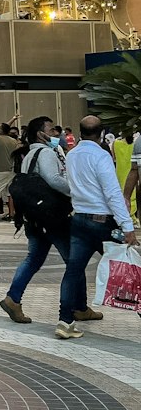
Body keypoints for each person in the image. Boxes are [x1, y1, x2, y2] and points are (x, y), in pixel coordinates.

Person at [59, 116, 137, 340]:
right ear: (102, 134)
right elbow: (112, 193)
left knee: (73, 272)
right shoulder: (101, 156)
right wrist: (127, 226)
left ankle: (65, 321)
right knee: (128, 268)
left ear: (80, 132)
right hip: (103, 223)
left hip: (79, 220)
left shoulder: (71, 155)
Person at [0, 117, 70, 324]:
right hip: (51, 216)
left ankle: (13, 299)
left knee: (34, 258)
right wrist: (75, 190)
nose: (56, 132)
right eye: (51, 129)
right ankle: (76, 307)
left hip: (35, 216)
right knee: (73, 261)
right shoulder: (46, 153)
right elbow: (54, 179)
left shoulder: (30, 154)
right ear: (41, 133)